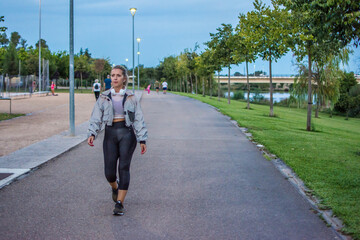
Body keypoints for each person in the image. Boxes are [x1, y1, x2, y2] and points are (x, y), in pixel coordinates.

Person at [87, 65, 148, 216]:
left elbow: (138, 118)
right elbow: (96, 117)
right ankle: (115, 187)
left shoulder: (131, 97)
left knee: (124, 168)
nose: (114, 78)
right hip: (110, 134)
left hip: (127, 134)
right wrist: (92, 133)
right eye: (113, 75)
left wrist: (142, 139)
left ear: (124, 78)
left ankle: (120, 203)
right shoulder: (103, 97)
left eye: (118, 75)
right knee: (109, 172)